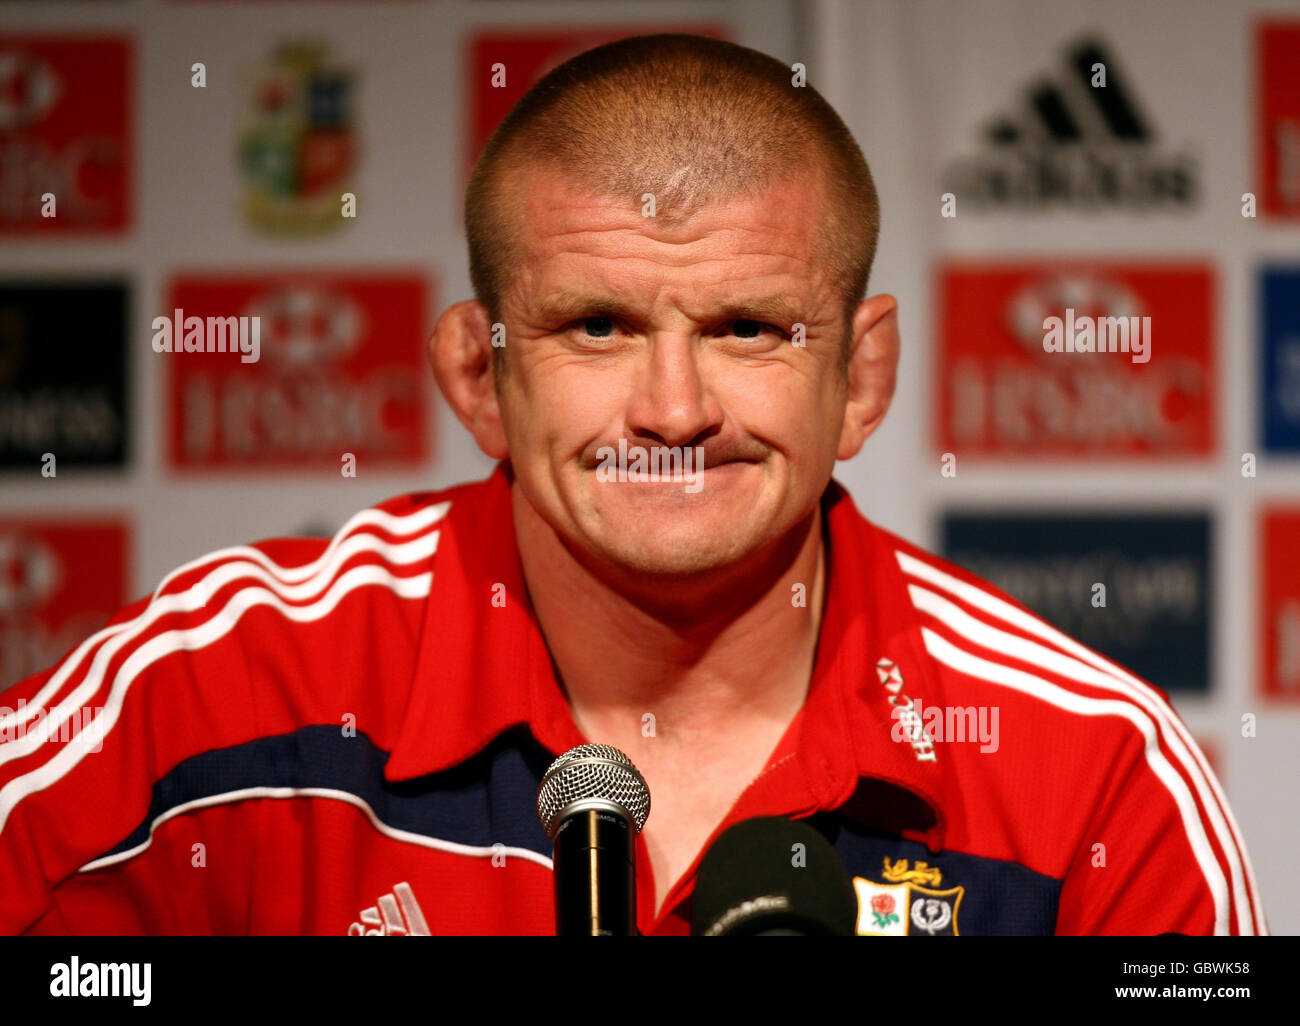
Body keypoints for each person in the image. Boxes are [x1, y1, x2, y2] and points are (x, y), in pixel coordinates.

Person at [0, 34, 1265, 936]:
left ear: (864, 378)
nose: (672, 410)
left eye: (748, 329)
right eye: (596, 327)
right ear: (477, 374)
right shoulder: (212, 696)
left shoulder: (1096, 776)